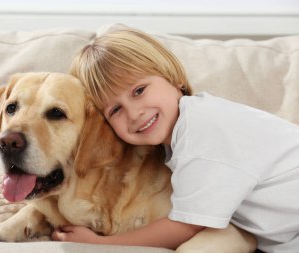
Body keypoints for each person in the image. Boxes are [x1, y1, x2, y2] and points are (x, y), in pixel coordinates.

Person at [52, 27, 299, 252]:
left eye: (139, 90)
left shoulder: (201, 129)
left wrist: (100, 244)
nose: (134, 113)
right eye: (115, 110)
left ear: (173, 79)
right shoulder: (179, 137)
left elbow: (184, 226)